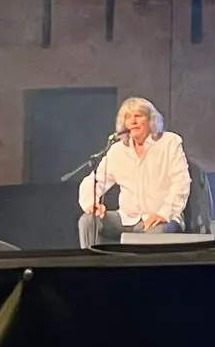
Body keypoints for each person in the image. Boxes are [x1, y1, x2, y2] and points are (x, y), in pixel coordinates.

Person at [77, 97, 192, 248]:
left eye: (138, 116)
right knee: (88, 220)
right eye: (128, 117)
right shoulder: (117, 150)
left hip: (162, 217)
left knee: (154, 235)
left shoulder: (169, 142)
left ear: (151, 120)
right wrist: (92, 204)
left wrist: (164, 213)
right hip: (126, 218)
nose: (133, 121)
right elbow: (94, 181)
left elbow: (181, 183)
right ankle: (91, 268)